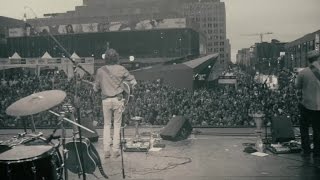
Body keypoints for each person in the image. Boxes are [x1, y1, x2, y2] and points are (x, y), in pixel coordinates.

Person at [93, 48, 137, 158]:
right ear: (116, 57)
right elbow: (133, 82)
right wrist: (124, 86)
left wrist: (98, 85)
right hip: (118, 99)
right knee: (117, 125)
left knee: (107, 125)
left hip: (106, 101)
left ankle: (106, 151)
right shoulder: (121, 69)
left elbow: (95, 88)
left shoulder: (100, 71)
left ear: (106, 58)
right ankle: (116, 150)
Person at [295, 50, 320, 159]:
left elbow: (297, 86)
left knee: (304, 127)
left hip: (306, 105)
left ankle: (306, 149)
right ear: (318, 58)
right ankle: (317, 151)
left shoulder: (303, 72)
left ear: (308, 60)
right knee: (318, 129)